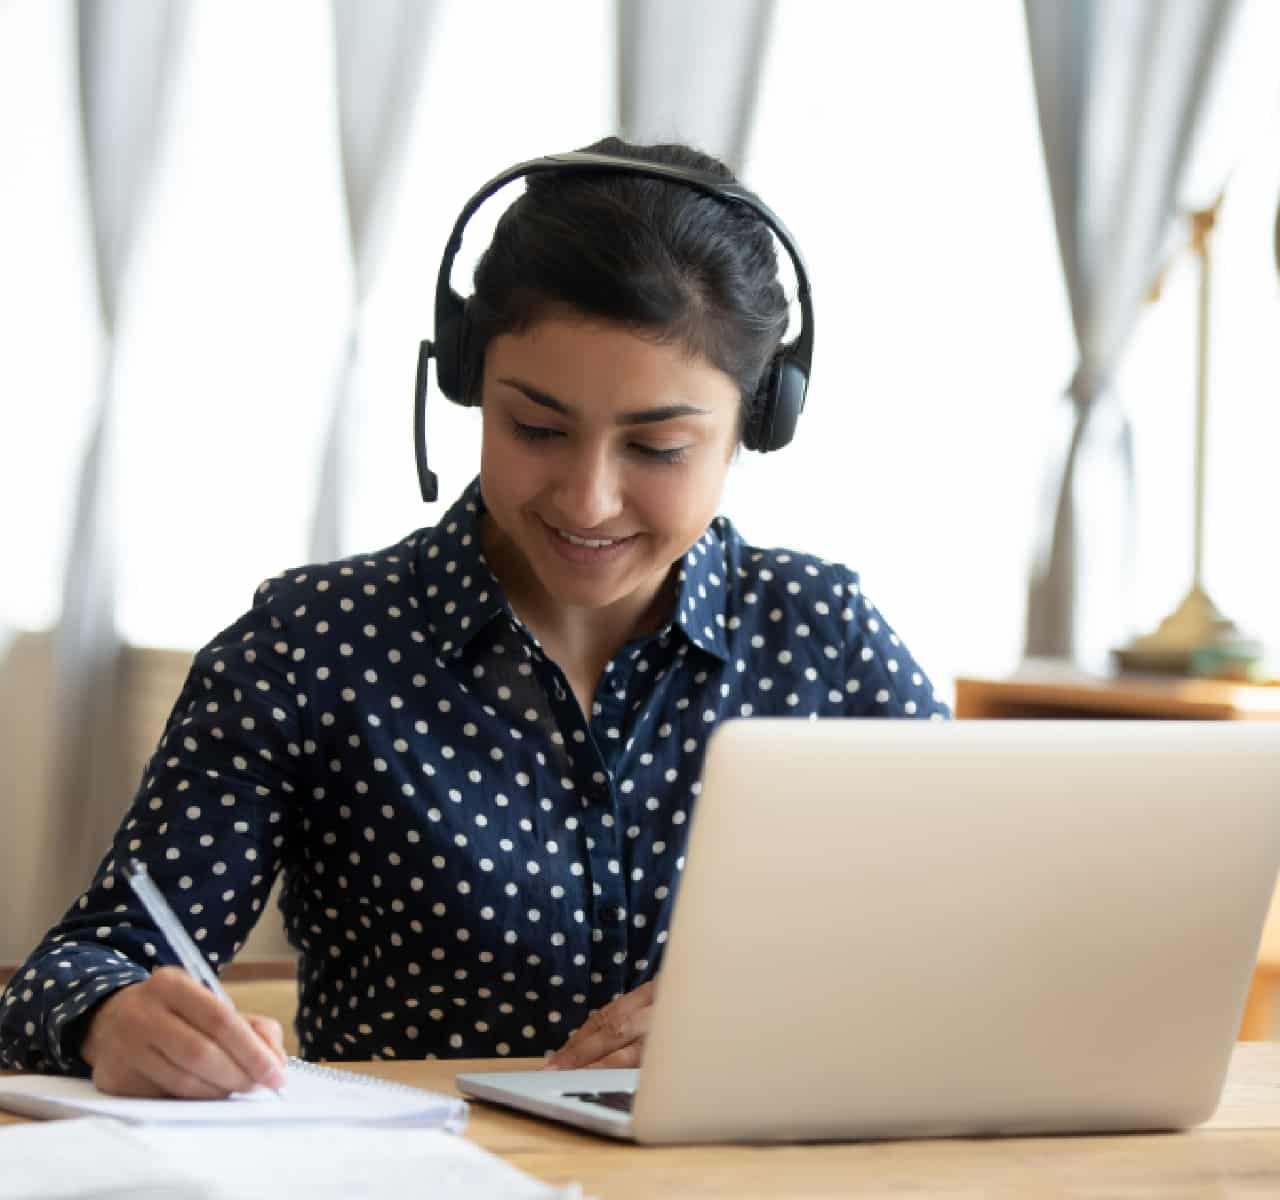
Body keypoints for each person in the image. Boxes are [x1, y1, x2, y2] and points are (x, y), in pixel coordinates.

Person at [0, 137, 950, 1098]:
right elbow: (77, 968)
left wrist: (775, 1018)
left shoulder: (823, 638)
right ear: (465, 385)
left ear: (758, 422)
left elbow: (992, 931)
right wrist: (113, 1017)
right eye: (536, 429)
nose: (587, 501)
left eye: (658, 447)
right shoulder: (312, 644)